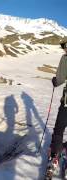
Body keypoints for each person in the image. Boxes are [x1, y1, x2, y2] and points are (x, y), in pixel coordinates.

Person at [48, 39, 67, 171]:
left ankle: (54, 156)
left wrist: (55, 81)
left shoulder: (65, 58)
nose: (64, 49)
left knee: (59, 129)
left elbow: (59, 79)